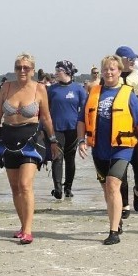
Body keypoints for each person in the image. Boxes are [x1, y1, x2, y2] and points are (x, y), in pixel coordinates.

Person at [0, 53, 60, 244]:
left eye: (26, 67)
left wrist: (54, 140)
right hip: (8, 139)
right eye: (18, 67)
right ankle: (23, 226)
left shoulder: (39, 89)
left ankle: (29, 230)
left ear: (32, 69)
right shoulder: (6, 87)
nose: (22, 71)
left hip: (31, 140)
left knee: (25, 184)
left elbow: (46, 117)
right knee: (15, 188)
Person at [77, 55, 138, 245]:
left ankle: (113, 232)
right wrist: (81, 141)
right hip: (99, 149)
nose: (108, 72)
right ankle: (117, 218)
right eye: (106, 69)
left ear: (119, 72)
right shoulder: (94, 92)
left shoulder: (127, 93)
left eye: (112, 69)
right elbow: (81, 120)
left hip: (122, 148)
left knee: (113, 184)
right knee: (107, 190)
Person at [114, 46, 138, 217]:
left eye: (133, 59)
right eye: (129, 59)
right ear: (120, 59)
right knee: (120, 169)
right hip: (119, 127)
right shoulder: (111, 78)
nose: (132, 62)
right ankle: (124, 205)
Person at [47, 60, 87, 199]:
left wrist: (85, 131)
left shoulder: (78, 89)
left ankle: (68, 187)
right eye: (56, 70)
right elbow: (45, 110)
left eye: (59, 70)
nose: (56, 73)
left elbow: (85, 111)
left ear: (67, 72)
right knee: (57, 158)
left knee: (70, 159)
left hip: (73, 129)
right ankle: (57, 189)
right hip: (56, 129)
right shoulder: (51, 89)